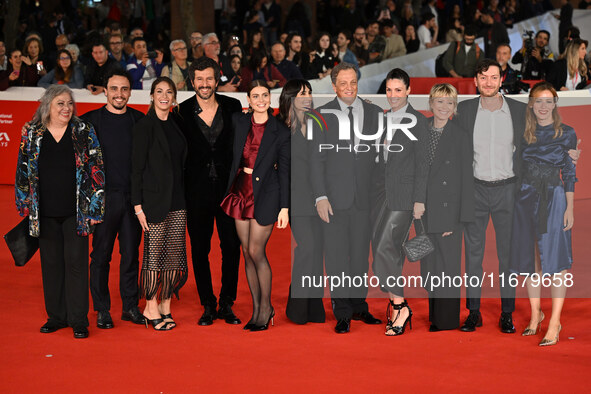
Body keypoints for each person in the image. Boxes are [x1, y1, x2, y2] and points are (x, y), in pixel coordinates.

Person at [15, 85, 105, 338]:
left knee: (76, 265)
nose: (67, 108)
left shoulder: (83, 131)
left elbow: (96, 169)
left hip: (76, 212)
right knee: (51, 265)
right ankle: (56, 316)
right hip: (44, 212)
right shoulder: (32, 133)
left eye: (69, 103)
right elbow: (23, 168)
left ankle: (78, 320)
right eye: (60, 104)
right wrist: (23, 200)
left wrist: (95, 208)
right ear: (47, 106)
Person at [309, 63, 383, 334]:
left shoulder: (375, 113)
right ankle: (342, 312)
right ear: (334, 86)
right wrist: (320, 196)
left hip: (366, 200)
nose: (349, 88)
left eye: (353, 82)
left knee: (362, 257)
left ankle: (358, 305)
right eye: (343, 83)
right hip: (334, 200)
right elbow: (316, 162)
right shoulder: (320, 116)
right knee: (338, 257)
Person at [455, 59, 526, 333]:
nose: (488, 82)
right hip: (475, 190)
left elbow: (531, 146)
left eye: (493, 77)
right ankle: (473, 311)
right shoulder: (464, 110)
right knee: (473, 256)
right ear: (475, 80)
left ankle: (506, 312)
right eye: (483, 77)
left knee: (507, 256)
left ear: (501, 80)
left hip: (508, 190)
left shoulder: (519, 111)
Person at [173, 57, 242, 326]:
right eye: (199, 79)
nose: (204, 84)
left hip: (228, 192)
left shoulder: (233, 106)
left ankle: (227, 302)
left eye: (209, 79)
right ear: (192, 81)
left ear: (217, 79)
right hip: (196, 192)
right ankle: (208, 304)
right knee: (200, 250)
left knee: (231, 248)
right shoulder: (182, 111)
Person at [509, 82, 577, 346]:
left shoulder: (567, 133)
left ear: (556, 104)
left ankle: (555, 321)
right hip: (525, 198)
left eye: (549, 101)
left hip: (554, 198)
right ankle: (536, 314)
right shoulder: (523, 132)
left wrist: (570, 207)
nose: (543, 106)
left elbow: (569, 173)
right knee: (530, 261)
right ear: (530, 104)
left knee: (556, 262)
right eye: (538, 101)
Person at [220, 80, 290, 331]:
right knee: (246, 252)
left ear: (270, 98)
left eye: (265, 95)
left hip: (267, 194)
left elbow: (285, 171)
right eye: (255, 96)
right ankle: (256, 307)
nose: (261, 100)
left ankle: (266, 308)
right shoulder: (238, 122)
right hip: (240, 191)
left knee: (257, 251)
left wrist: (284, 207)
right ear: (248, 100)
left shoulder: (280, 130)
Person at [82, 69, 145, 329]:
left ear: (130, 92)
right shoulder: (89, 122)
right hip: (102, 200)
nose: (119, 94)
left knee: (131, 255)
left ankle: (130, 306)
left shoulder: (140, 121)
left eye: (124, 89)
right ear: (104, 91)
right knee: (100, 257)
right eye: (114, 89)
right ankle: (102, 309)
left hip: (133, 201)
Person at [371, 69, 428, 336]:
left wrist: (419, 200)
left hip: (404, 196)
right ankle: (394, 304)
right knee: (384, 246)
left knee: (385, 246)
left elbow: (423, 165)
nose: (393, 95)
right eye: (389, 90)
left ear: (408, 90)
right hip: (380, 194)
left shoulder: (418, 121)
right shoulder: (382, 120)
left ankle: (400, 305)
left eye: (398, 90)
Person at [131, 77, 188, 330]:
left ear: (174, 97)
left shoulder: (177, 123)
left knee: (173, 256)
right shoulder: (145, 126)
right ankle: (150, 306)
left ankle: (166, 303)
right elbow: (136, 169)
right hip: (153, 201)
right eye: (159, 91)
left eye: (169, 92)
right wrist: (138, 206)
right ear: (152, 96)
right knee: (154, 256)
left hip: (178, 199)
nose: (164, 95)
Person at [421, 83, 474, 332]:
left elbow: (466, 179)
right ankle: (435, 315)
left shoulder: (460, 136)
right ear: (431, 103)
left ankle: (446, 320)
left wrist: (459, 219)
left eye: (449, 103)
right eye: (439, 102)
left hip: (448, 212)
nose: (444, 107)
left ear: (454, 107)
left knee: (447, 267)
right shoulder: (420, 130)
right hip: (423, 212)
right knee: (429, 265)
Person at [278, 79, 326, 325]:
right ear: (290, 97)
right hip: (296, 200)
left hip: (320, 198)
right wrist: (282, 205)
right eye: (301, 93)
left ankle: (314, 309)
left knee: (317, 252)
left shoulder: (318, 122)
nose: (306, 97)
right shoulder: (280, 127)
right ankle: (296, 308)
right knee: (307, 249)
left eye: (309, 93)